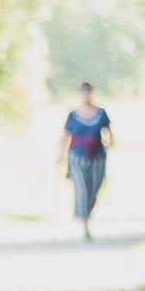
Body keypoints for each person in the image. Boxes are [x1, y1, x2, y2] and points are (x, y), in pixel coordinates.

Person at [58, 82, 114, 240]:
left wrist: (109, 144)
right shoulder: (73, 115)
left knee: (94, 188)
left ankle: (87, 214)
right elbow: (65, 137)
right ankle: (85, 224)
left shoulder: (100, 113)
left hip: (97, 156)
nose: (85, 95)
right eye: (82, 92)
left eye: (87, 92)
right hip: (77, 156)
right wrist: (60, 156)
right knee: (81, 189)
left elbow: (109, 132)